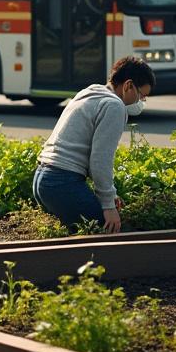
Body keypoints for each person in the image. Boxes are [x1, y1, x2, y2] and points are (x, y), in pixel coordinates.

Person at [33, 56, 155, 233]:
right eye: (142, 95)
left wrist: (110, 195)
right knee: (110, 230)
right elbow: (100, 160)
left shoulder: (90, 92)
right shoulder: (115, 106)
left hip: (42, 179)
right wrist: (108, 206)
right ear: (128, 85)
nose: (141, 102)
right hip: (61, 182)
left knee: (79, 238)